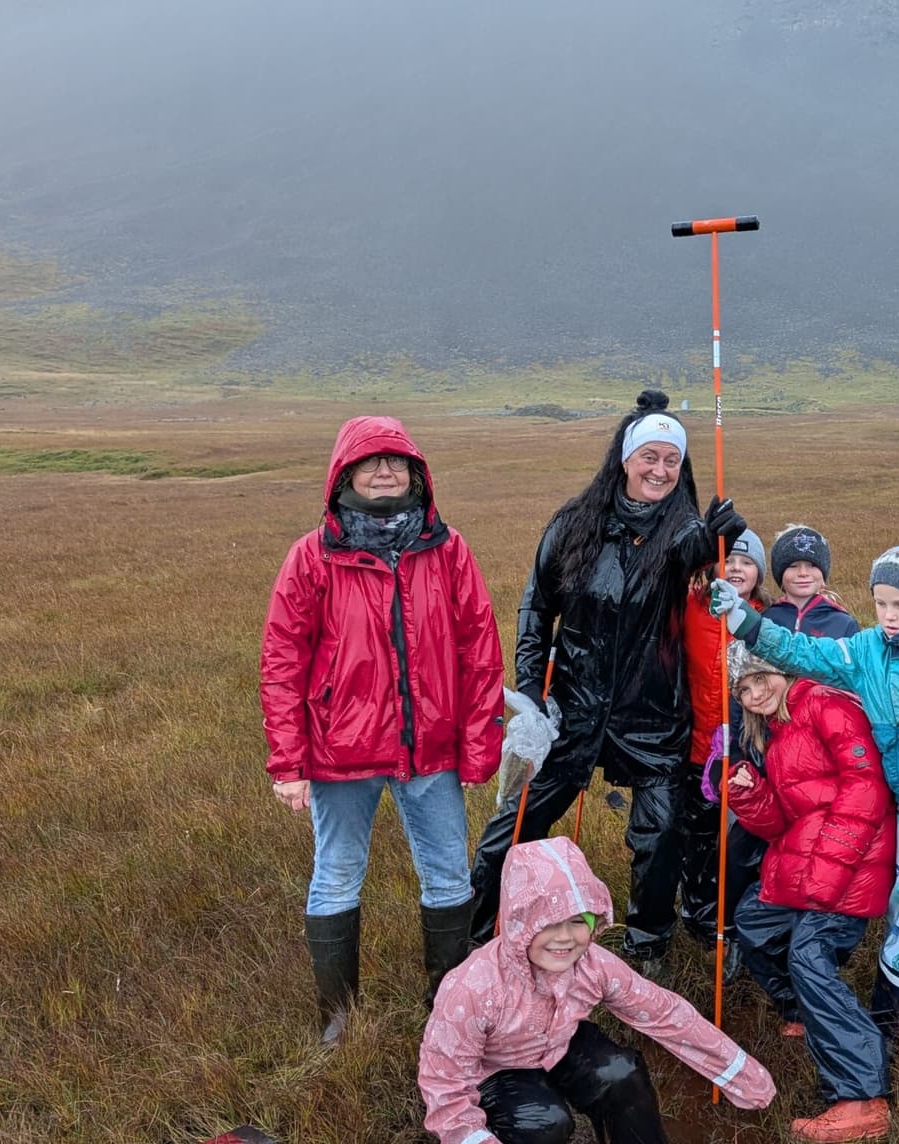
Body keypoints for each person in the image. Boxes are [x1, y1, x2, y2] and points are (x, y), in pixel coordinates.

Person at [465, 391, 747, 979]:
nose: (660, 471)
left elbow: (699, 558)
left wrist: (726, 543)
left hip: (653, 715)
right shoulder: (573, 525)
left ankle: (648, 942)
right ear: (624, 458)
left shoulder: (684, 534)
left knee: (661, 832)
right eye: (650, 457)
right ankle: (473, 938)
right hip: (573, 707)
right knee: (517, 823)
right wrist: (530, 691)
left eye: (672, 460)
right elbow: (536, 609)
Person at [260, 416, 505, 1046]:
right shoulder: (312, 557)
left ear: (418, 475)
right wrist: (287, 762)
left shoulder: (448, 550)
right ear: (343, 476)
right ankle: (337, 1022)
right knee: (336, 874)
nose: (385, 472)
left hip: (433, 754)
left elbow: (480, 650)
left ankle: (446, 1014)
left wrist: (481, 748)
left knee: (450, 876)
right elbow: (282, 661)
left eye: (397, 462)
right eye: (371, 463)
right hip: (339, 755)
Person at [710, 545, 899, 1043]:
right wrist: (745, 619)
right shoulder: (866, 651)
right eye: (881, 603)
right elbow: (802, 653)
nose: (890, 615)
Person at [421, 838, 776, 1144]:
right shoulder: (473, 987)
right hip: (495, 1071)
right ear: (519, 922)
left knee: (621, 1073)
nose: (565, 937)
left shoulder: (593, 965)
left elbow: (666, 1014)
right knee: (545, 1122)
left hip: (557, 1044)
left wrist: (738, 1069)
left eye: (579, 921)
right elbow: (444, 1081)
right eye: (548, 923)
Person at [725, 643, 897, 1142]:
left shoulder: (826, 704)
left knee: (809, 954)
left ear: (784, 669)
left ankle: (862, 1096)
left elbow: (866, 791)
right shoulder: (777, 731)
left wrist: (823, 880)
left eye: (761, 679)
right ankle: (805, 1009)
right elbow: (782, 823)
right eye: (744, 688)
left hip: (853, 862)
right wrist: (749, 794)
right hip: (807, 860)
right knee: (755, 923)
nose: (755, 694)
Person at [679, 527, 768, 958]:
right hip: (697, 748)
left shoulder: (763, 622)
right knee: (698, 833)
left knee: (737, 842)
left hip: (746, 753)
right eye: (729, 559)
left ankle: (732, 915)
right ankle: (697, 910)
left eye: (747, 562)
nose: (736, 568)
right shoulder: (692, 607)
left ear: (759, 574)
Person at [765, 524, 859, 637]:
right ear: (780, 574)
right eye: (793, 566)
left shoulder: (844, 624)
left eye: (812, 565)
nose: (803, 573)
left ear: (824, 576)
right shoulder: (766, 619)